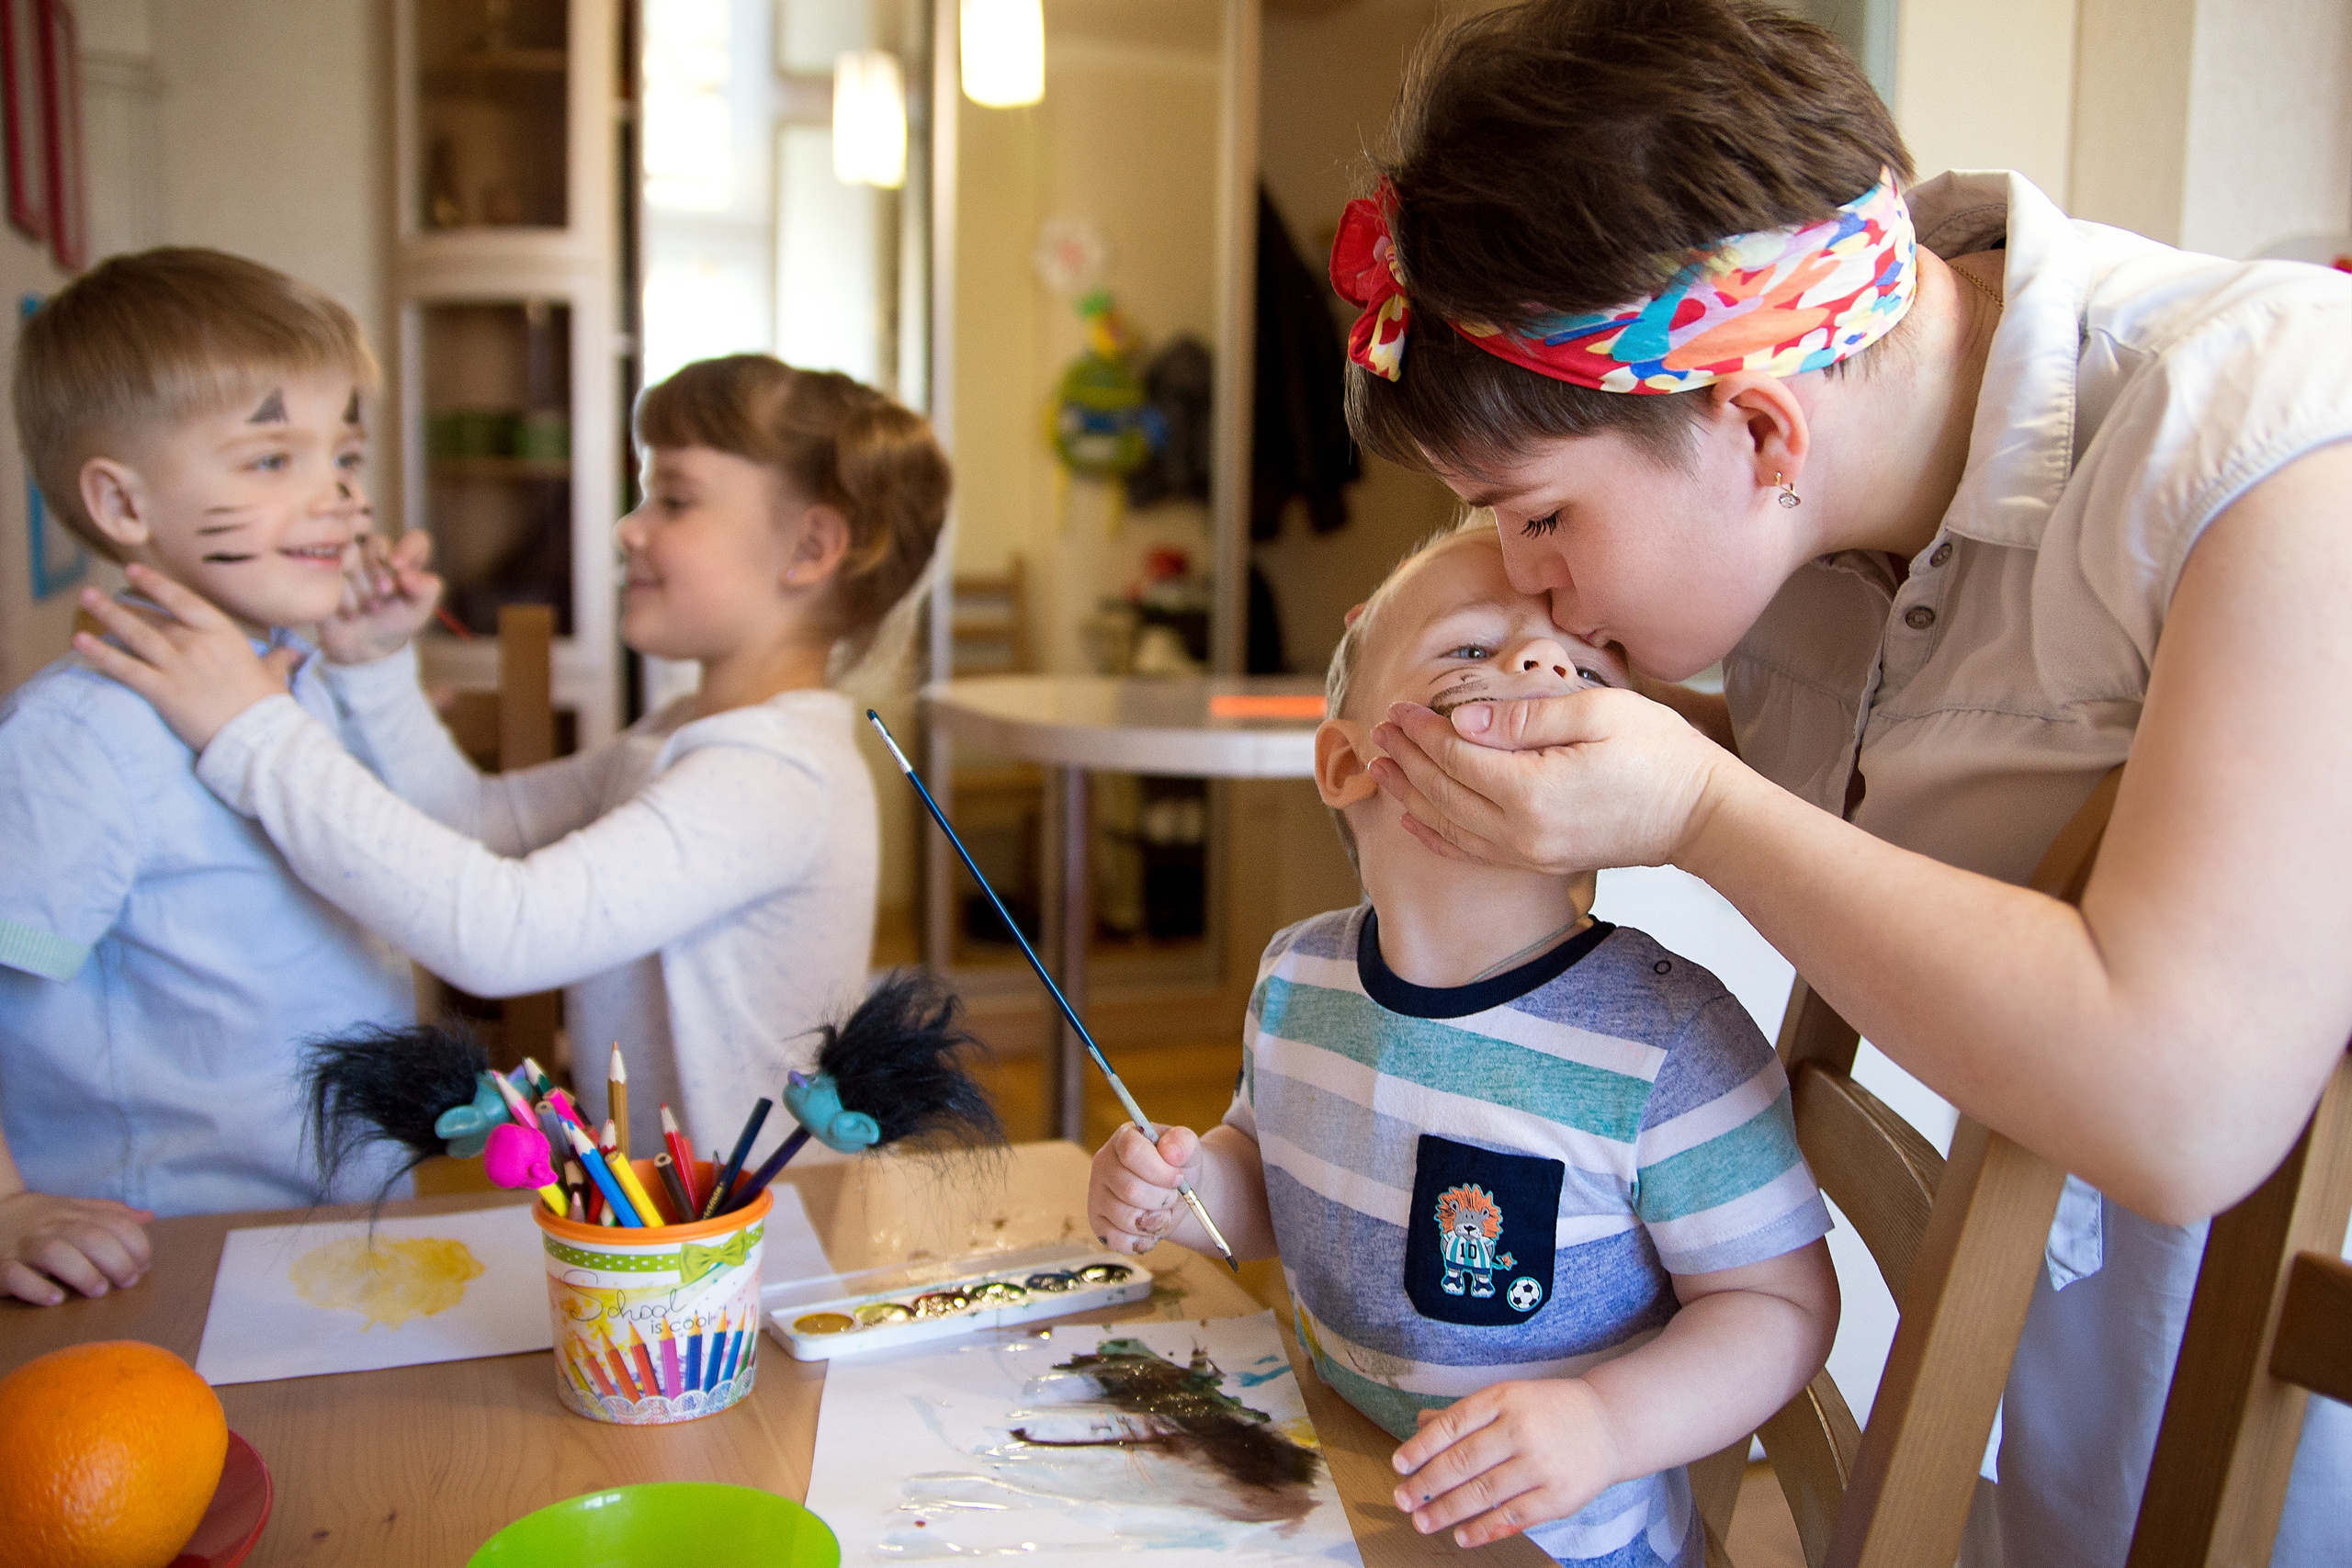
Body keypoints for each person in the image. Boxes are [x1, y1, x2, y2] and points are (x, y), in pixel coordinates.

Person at [1325, 3, 2352, 1562]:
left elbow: (2185, 1101)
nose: (1532, 588)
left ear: (1757, 425)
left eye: (1536, 519)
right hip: (2078, 1373)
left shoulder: (2274, 443)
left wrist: (1692, 809)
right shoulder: (1812, 513)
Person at [1090, 519, 1838, 1566]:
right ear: (1351, 765)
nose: (1536, 663)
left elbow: (1779, 1308)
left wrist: (1606, 1423)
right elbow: (1272, 1192)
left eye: (1584, 667)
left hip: (1557, 1549)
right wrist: (1186, 1189)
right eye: (1470, 648)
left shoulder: (1669, 1043)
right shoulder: (1296, 979)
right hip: (1337, 1492)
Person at [75, 354, 948, 1168]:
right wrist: (373, 663)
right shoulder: (691, 731)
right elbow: (475, 821)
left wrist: (254, 730)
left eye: (675, 500)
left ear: (809, 549)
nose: (628, 528)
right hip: (690, 1226)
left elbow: (504, 933)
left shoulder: (771, 775)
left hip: (761, 1238)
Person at [0, 248, 414, 1304]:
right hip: (173, 1259)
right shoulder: (84, 735)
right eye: (272, 460)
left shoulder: (290, 672)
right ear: (122, 504)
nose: (339, 497)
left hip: (328, 1230)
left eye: (346, 455)